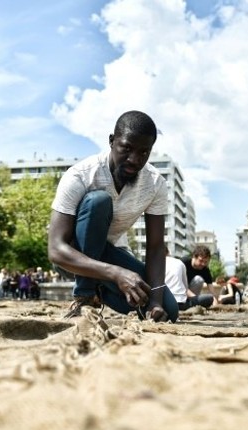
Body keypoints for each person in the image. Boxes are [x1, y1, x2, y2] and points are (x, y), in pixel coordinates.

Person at [47, 110, 177, 322]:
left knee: (168, 311)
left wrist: (155, 302)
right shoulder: (80, 175)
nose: (134, 159)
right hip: (73, 256)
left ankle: (99, 290)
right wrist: (116, 274)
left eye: (144, 152)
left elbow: (155, 247)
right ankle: (85, 296)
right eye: (126, 148)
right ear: (111, 141)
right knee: (98, 201)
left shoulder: (155, 184)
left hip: (110, 254)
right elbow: (55, 250)